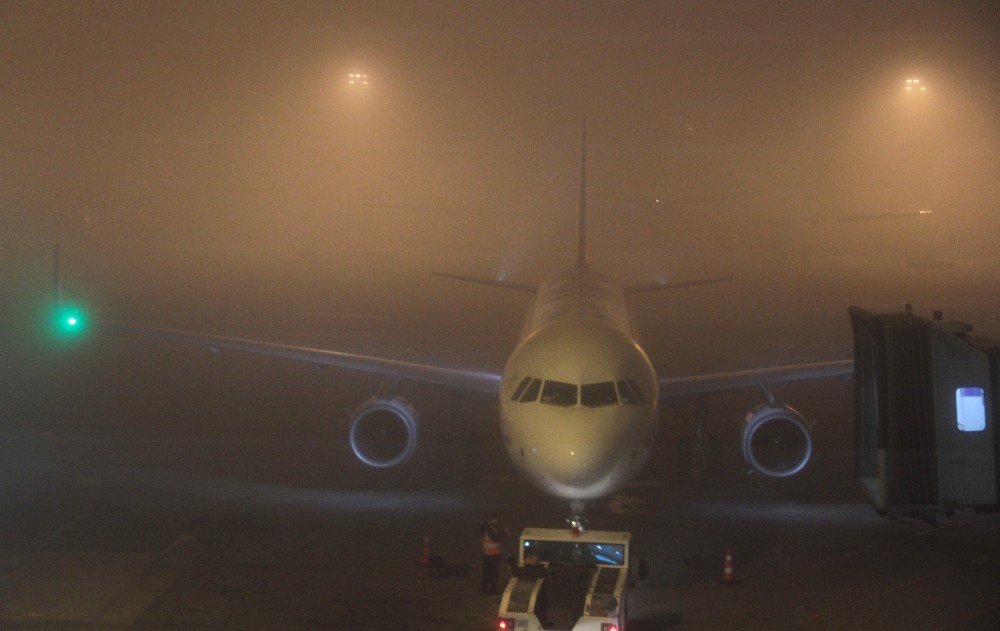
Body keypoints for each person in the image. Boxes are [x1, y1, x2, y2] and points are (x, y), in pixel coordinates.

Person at [479, 511, 507, 593]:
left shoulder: (485, 527)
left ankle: (483, 588)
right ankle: (493, 589)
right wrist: (504, 533)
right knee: (494, 573)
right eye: (497, 519)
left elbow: (495, 536)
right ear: (494, 519)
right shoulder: (490, 528)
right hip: (493, 554)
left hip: (487, 553)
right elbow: (495, 538)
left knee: (486, 572)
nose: (497, 521)